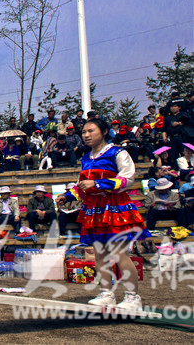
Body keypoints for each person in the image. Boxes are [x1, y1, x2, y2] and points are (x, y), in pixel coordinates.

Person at [57, 117, 149, 313]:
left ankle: (133, 297)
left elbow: (127, 179)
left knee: (119, 252)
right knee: (99, 253)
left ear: (104, 132)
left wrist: (98, 184)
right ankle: (106, 293)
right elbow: (82, 184)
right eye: (84, 132)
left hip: (114, 206)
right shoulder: (86, 158)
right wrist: (67, 196)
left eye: (91, 131)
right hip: (94, 208)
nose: (87, 135)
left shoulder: (118, 152)